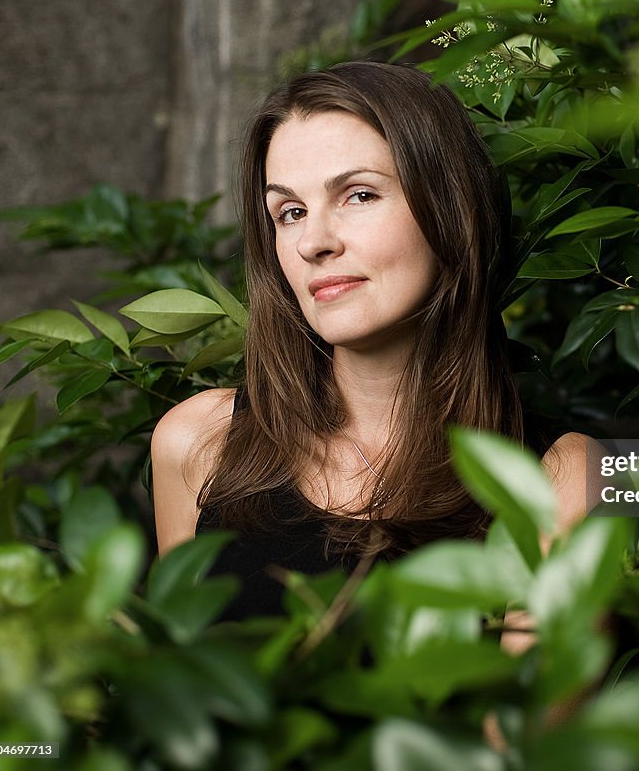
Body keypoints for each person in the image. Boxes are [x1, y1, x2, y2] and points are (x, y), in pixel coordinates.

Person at [150, 61, 588, 619]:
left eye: (358, 195)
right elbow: (174, 690)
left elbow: (524, 707)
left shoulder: (556, 476)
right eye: (289, 212)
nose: (313, 241)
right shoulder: (197, 442)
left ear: (450, 209)